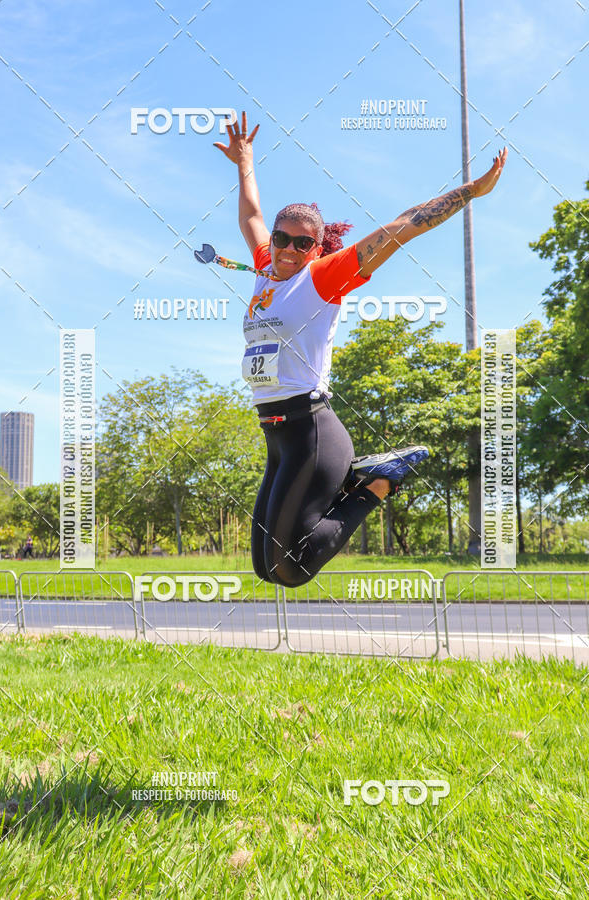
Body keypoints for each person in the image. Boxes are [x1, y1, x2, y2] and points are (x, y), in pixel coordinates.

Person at [214, 112, 507, 587]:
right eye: (282, 238)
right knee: (265, 568)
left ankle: (379, 482)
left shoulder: (323, 277)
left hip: (310, 430)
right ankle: (364, 478)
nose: (288, 248)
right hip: (275, 434)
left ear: (316, 248)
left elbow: (403, 226)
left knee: (291, 569)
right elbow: (251, 216)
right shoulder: (266, 267)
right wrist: (245, 161)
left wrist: (471, 191)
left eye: (302, 243)